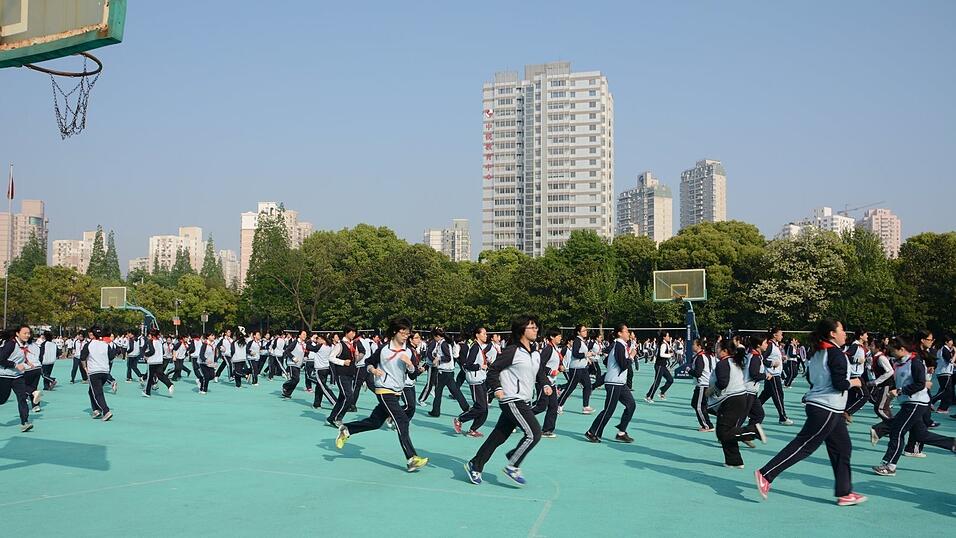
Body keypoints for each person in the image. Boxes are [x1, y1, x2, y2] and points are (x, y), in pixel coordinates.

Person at [755, 319, 867, 506]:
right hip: (826, 407)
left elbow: (810, 377)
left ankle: (845, 492)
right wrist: (855, 382)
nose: (845, 334)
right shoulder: (835, 354)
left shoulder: (818, 352)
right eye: (842, 330)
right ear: (832, 333)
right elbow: (840, 384)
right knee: (805, 445)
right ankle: (766, 474)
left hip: (827, 407)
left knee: (842, 447)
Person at [335, 318, 429, 473]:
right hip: (384, 390)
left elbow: (412, 376)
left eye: (408, 333)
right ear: (395, 332)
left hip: (397, 391)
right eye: (403, 332)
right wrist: (373, 371)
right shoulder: (384, 349)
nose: (406, 336)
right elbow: (369, 362)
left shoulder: (407, 351)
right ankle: (412, 458)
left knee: (375, 422)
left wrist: (410, 365)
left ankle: (347, 429)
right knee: (402, 420)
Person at [464, 315, 548, 487]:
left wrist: (546, 384)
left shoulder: (535, 353)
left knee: (498, 436)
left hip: (523, 399)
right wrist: (497, 388)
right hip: (511, 399)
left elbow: (540, 374)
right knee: (534, 433)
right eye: (532, 327)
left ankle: (475, 464)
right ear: (522, 330)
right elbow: (493, 370)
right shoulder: (512, 351)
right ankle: (513, 464)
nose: (536, 330)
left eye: (536, 327)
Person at [872, 335, 956, 476]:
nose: (891, 352)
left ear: (902, 349)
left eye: (893, 350)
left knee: (897, 431)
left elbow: (919, 384)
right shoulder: (899, 362)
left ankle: (890, 465)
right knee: (921, 435)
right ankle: (952, 443)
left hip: (916, 402)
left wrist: (899, 391)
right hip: (908, 403)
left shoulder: (914, 362)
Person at [707, 339, 766, 468]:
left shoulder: (723, 364)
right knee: (728, 430)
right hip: (739, 398)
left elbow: (723, 382)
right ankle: (733, 461)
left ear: (724, 351)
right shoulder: (734, 361)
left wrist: (711, 390)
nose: (716, 351)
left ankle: (752, 431)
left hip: (731, 400)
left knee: (723, 433)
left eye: (718, 348)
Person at [585, 323, 637, 443]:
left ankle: (621, 432)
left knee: (631, 405)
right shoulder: (618, 345)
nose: (628, 333)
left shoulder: (620, 345)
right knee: (609, 409)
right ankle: (592, 432)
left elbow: (608, 360)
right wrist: (631, 357)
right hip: (614, 383)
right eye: (626, 331)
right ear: (619, 333)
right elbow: (624, 365)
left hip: (620, 383)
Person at [455, 326, 492, 437]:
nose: (486, 336)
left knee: (484, 409)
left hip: (481, 379)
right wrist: (480, 366)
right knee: (480, 406)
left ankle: (473, 429)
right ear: (477, 335)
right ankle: (460, 419)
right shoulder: (475, 347)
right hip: (475, 381)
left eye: (486, 334)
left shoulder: (480, 348)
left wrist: (486, 364)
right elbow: (467, 365)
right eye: (484, 333)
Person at [426, 328, 469, 418]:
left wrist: (439, 358)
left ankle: (435, 411)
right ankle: (466, 408)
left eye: (434, 337)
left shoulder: (443, 344)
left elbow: (448, 357)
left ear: (437, 336)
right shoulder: (445, 343)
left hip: (443, 372)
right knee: (455, 391)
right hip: (449, 372)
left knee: (438, 392)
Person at [558, 325, 596, 415]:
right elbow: (575, 354)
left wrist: (588, 357)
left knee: (588, 386)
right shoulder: (577, 341)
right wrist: (586, 355)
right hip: (576, 368)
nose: (585, 332)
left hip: (583, 368)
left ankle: (586, 406)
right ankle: (558, 404)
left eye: (586, 330)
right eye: (583, 330)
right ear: (578, 332)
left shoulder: (582, 341)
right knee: (571, 387)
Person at [532, 328, 563, 438]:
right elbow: (540, 365)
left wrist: (560, 366)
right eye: (558, 336)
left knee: (553, 406)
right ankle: (517, 419)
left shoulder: (555, 349)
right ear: (552, 337)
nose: (560, 338)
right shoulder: (548, 349)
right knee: (541, 406)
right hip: (544, 382)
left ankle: (547, 430)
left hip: (552, 383)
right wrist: (550, 371)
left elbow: (554, 362)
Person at [758, 328, 793, 425]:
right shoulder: (769, 345)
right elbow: (762, 358)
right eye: (780, 334)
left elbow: (773, 357)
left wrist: (781, 358)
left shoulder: (775, 345)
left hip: (775, 373)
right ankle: (783, 417)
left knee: (765, 395)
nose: (782, 336)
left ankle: (751, 410)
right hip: (772, 375)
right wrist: (772, 363)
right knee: (778, 395)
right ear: (774, 335)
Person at [80, 326, 116, 421]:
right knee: (91, 391)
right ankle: (96, 410)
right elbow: (111, 356)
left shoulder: (88, 345)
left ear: (91, 334)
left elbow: (83, 358)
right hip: (105, 372)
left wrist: (85, 368)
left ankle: (106, 411)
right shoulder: (105, 345)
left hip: (94, 372)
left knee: (98, 393)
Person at [327, 326, 359, 427]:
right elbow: (331, 357)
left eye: (354, 332)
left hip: (349, 374)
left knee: (342, 398)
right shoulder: (340, 345)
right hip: (342, 374)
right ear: (346, 333)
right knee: (349, 397)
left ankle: (331, 418)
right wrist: (342, 362)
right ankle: (338, 418)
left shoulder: (352, 344)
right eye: (351, 332)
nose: (353, 334)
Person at [690, 338, 716, 432]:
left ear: (699, 346)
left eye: (694, 344)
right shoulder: (708, 355)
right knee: (695, 403)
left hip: (703, 384)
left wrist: (689, 370)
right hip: (705, 384)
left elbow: (698, 373)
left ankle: (707, 425)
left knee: (699, 406)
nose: (692, 346)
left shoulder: (700, 357)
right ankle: (716, 414)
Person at [142, 329, 174, 397]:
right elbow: (163, 352)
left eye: (149, 335)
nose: (148, 336)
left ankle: (147, 392)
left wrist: (145, 355)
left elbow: (152, 351)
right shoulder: (160, 342)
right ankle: (169, 384)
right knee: (160, 375)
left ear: (152, 336)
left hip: (152, 362)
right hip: (159, 361)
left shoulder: (150, 341)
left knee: (150, 377)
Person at [644, 331, 674, 403]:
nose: (668, 337)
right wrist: (670, 355)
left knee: (670, 380)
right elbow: (661, 354)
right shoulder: (663, 344)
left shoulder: (666, 343)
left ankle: (662, 392)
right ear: (664, 337)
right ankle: (649, 396)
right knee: (657, 382)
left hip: (663, 366)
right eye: (667, 336)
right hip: (659, 365)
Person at [931, 334, 954, 413]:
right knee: (946, 391)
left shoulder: (942, 349)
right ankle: (931, 401)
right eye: (951, 341)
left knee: (945, 390)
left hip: (942, 372)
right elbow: (949, 360)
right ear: (946, 342)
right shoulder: (945, 349)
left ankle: (942, 408)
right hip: (944, 373)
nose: (952, 343)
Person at [281, 330, 308, 398]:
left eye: (306, 334)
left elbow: (305, 353)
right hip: (292, 363)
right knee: (296, 379)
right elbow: (287, 351)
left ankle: (287, 393)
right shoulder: (295, 342)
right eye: (303, 334)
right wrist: (293, 358)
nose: (305, 336)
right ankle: (285, 385)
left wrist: (305, 358)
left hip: (298, 365)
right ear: (299, 335)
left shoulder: (304, 344)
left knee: (296, 380)